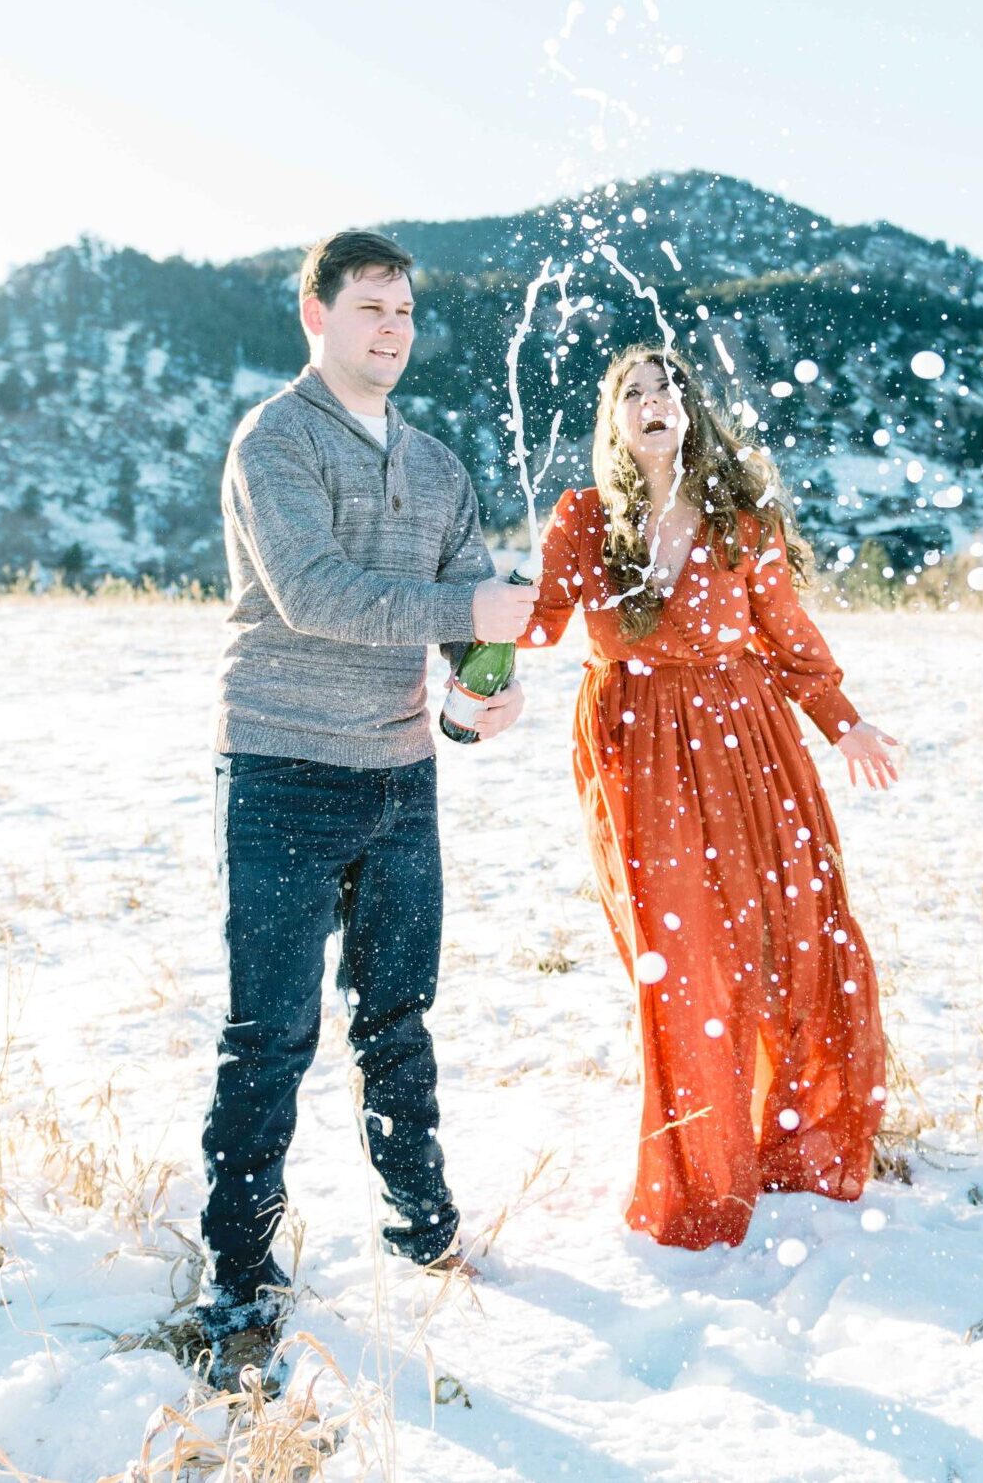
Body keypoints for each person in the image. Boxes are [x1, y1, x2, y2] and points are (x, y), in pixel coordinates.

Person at [200, 229, 534, 1388]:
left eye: (402, 310)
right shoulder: (275, 439)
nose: (390, 328)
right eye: (368, 308)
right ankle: (237, 1272)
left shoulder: (439, 465)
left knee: (397, 1013)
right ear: (315, 315)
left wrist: (482, 678)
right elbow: (315, 594)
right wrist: (469, 605)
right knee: (271, 1033)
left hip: (400, 776)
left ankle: (423, 1222)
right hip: (283, 765)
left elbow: (465, 613)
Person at [519, 342, 899, 1250]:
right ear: (611, 422)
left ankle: (791, 1137)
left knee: (794, 938)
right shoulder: (581, 520)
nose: (652, 403)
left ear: (690, 410)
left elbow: (788, 637)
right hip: (637, 755)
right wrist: (465, 615)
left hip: (750, 749)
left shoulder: (738, 519)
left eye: (667, 389)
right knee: (683, 964)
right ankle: (699, 1171)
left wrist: (842, 721)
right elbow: (533, 626)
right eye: (632, 394)